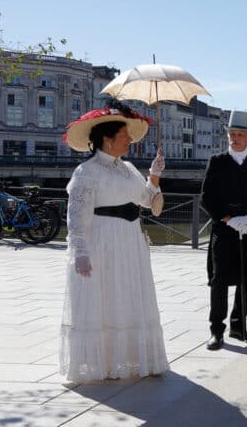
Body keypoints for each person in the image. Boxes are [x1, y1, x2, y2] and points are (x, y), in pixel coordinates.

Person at [60, 100, 169, 382]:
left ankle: (129, 358)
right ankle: (104, 361)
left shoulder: (129, 168)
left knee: (128, 296)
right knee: (105, 298)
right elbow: (76, 216)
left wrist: (154, 176)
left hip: (130, 240)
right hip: (104, 241)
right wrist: (80, 250)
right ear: (107, 140)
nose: (130, 141)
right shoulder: (87, 172)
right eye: (124, 136)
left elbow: (147, 201)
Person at [201, 111, 247, 350]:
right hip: (224, 229)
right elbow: (207, 196)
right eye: (232, 134)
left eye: (240, 134)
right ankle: (216, 331)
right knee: (219, 280)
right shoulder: (217, 161)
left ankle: (239, 325)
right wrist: (227, 218)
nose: (235, 138)